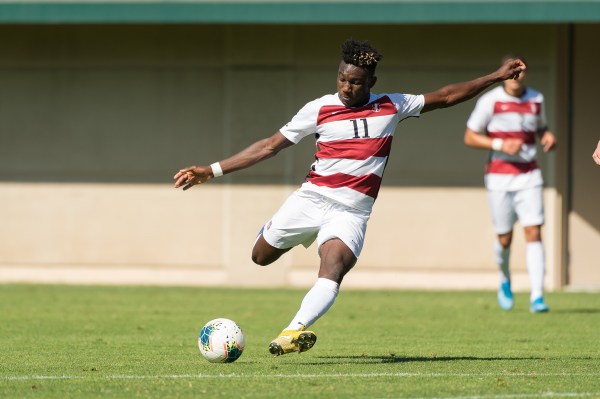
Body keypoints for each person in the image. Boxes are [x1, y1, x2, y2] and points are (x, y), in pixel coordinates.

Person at [174, 39, 526, 355]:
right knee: (260, 257)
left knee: (334, 267)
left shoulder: (392, 106)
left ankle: (292, 331)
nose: (346, 86)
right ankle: (280, 233)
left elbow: (447, 96)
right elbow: (269, 146)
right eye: (342, 77)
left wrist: (496, 76)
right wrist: (212, 169)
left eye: (355, 81)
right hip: (311, 200)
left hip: (351, 212)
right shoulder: (320, 109)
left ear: (371, 82)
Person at [463, 55, 557, 314]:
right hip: (499, 177)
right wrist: (500, 145)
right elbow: (470, 136)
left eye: (521, 70)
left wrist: (547, 135)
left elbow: (541, 128)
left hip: (530, 175)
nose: (517, 75)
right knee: (505, 238)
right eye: (512, 70)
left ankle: (537, 296)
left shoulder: (536, 99)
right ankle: (505, 279)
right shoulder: (490, 100)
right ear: (505, 72)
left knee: (534, 232)